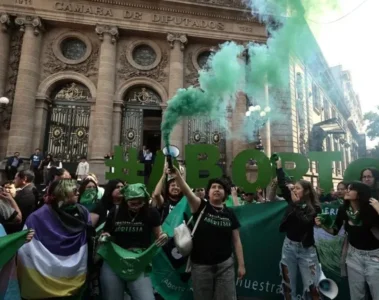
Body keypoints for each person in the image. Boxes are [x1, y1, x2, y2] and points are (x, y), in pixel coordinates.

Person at [168, 166, 245, 300]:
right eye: (213, 187)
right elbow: (187, 192)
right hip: (201, 266)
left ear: (225, 194)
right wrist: (178, 176)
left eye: (220, 188)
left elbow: (237, 240)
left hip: (225, 266)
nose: (216, 189)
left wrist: (242, 265)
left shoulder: (230, 213)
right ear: (208, 192)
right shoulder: (200, 206)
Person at [17, 179, 91, 300]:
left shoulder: (83, 212)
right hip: (43, 282)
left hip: (72, 277)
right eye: (74, 191)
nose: (78, 193)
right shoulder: (37, 218)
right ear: (63, 193)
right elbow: (25, 248)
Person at [99, 183, 168, 300]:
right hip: (114, 259)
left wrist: (163, 236)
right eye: (132, 203)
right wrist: (105, 236)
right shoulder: (115, 211)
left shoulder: (151, 213)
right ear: (125, 200)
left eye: (140, 203)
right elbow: (106, 232)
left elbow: (159, 234)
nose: (136, 206)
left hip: (139, 260)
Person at [316, 181, 379, 299]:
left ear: (360, 193)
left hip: (375, 257)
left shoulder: (371, 209)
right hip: (353, 256)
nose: (346, 191)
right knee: (356, 296)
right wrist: (322, 225)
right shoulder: (344, 209)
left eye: (350, 189)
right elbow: (334, 231)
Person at [275, 158, 322, 300]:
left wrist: (295, 205)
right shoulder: (292, 200)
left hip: (307, 250)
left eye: (297, 188)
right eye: (293, 187)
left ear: (306, 191)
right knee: (288, 285)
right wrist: (279, 167)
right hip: (289, 247)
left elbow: (306, 222)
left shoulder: (315, 207)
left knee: (313, 286)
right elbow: (283, 185)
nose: (294, 190)